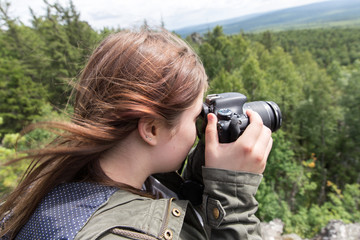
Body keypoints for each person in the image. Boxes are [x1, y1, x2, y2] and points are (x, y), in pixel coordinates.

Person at [0, 27, 273, 239]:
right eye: (196, 118)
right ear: (151, 129)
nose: (201, 130)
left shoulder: (53, 190)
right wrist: (233, 198)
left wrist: (198, 181)